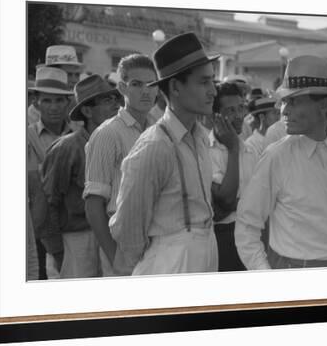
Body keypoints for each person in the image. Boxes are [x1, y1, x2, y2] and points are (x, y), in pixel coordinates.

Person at [235, 55, 327, 269]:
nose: (284, 110)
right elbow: (246, 226)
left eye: (294, 101)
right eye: (285, 101)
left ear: (323, 105)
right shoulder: (276, 156)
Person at [110, 32, 218, 275]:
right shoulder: (155, 145)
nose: (213, 91)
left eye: (213, 81)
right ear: (175, 87)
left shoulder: (200, 137)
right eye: (203, 82)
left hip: (204, 255)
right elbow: (128, 230)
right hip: (168, 264)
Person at [83, 54, 158, 276]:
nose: (146, 91)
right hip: (122, 242)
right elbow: (93, 204)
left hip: (158, 240)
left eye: (151, 84)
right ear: (123, 88)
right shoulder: (108, 133)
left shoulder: (158, 130)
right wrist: (114, 255)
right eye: (137, 84)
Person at [39, 75, 121, 278]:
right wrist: (58, 251)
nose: (115, 105)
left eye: (114, 99)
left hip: (111, 235)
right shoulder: (67, 148)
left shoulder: (118, 141)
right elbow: (48, 203)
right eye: (106, 101)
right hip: (76, 241)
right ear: (86, 111)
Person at [27, 66, 73, 279]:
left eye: (59, 101)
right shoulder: (25, 137)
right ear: (36, 103)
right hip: (38, 232)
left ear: (68, 103)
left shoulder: (81, 136)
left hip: (75, 230)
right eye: (47, 101)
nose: (53, 107)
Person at [209, 82, 258, 271]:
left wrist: (237, 203)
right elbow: (223, 204)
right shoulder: (204, 151)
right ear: (216, 116)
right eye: (230, 110)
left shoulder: (251, 151)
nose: (238, 116)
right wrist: (233, 149)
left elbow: (259, 201)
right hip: (222, 239)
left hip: (250, 235)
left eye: (241, 108)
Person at [244, 92, 281, 156]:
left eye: (279, 113)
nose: (278, 118)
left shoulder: (280, 136)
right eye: (274, 113)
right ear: (262, 117)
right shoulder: (251, 144)